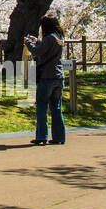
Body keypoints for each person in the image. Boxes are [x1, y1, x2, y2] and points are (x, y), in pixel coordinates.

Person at [24, 15, 66, 146]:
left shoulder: (48, 38)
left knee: (42, 106)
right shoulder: (59, 38)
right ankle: (59, 136)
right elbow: (46, 48)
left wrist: (28, 43)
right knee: (56, 107)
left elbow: (37, 52)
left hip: (47, 76)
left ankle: (42, 135)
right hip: (59, 76)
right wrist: (37, 40)